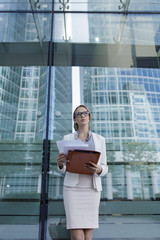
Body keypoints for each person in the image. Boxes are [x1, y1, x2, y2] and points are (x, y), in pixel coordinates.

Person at [57, 105, 108, 240]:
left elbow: (105, 166)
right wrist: (60, 164)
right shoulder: (67, 138)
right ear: (75, 120)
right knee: (76, 232)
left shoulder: (100, 140)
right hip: (72, 189)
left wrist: (99, 169)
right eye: (79, 114)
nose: (83, 116)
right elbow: (63, 168)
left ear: (89, 117)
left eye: (85, 113)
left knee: (88, 232)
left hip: (92, 189)